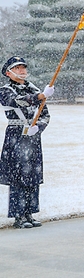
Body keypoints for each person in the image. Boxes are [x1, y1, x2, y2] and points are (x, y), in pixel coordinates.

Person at [0, 56, 54, 229]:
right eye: (17, 68)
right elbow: (17, 102)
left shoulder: (34, 88)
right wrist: (40, 96)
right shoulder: (5, 89)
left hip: (32, 136)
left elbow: (45, 114)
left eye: (23, 67)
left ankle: (29, 213)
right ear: (8, 72)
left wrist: (38, 127)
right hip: (16, 135)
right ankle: (19, 216)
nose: (22, 71)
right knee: (18, 176)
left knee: (32, 175)